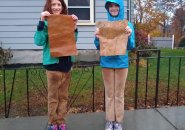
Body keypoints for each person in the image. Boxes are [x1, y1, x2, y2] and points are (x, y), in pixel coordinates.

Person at [34, 0, 78, 130]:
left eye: (59, 5)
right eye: (53, 5)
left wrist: (74, 27)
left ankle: (61, 122)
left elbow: (73, 41)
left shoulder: (66, 22)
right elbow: (38, 41)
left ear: (62, 7)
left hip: (66, 65)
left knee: (63, 97)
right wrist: (42, 21)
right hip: (53, 66)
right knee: (53, 98)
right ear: (49, 7)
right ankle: (52, 123)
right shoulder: (46, 23)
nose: (56, 7)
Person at [94, 0, 135, 130]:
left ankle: (118, 121)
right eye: (110, 6)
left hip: (122, 63)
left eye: (116, 5)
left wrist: (129, 36)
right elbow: (98, 46)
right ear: (108, 8)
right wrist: (96, 37)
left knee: (119, 94)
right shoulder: (104, 25)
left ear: (120, 7)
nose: (113, 8)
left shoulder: (127, 24)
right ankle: (110, 120)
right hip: (106, 63)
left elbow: (131, 46)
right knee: (110, 93)